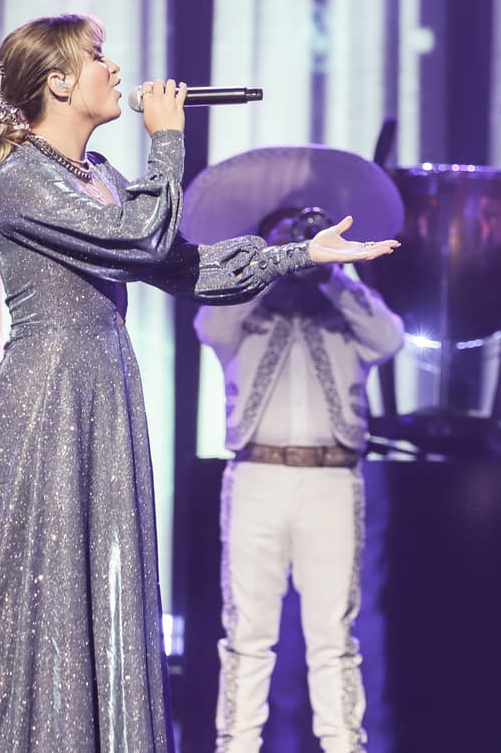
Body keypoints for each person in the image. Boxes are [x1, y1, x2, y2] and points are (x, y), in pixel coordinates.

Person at [0, 13, 398, 752]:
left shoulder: (102, 181)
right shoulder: (22, 179)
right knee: (47, 593)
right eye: (96, 57)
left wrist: (299, 255)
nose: (115, 68)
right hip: (48, 401)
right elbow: (143, 236)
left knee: (101, 587)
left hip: (102, 388)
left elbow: (184, 266)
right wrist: (167, 137)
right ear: (57, 82)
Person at [191, 149, 404, 752]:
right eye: (287, 234)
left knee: (333, 637)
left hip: (333, 481)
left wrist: (331, 270)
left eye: (305, 232)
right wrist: (276, 263)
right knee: (247, 635)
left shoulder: (342, 301)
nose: (301, 242)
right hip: (257, 476)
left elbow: (389, 339)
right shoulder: (243, 299)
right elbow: (209, 327)